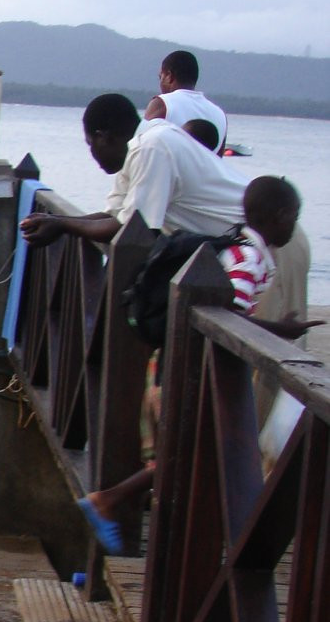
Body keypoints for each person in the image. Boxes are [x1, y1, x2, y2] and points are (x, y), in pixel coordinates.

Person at [78, 177, 319, 550]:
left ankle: (152, 528)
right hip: (186, 372)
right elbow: (229, 318)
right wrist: (281, 329)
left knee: (176, 456)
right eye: (294, 217)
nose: (294, 226)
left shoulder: (234, 245)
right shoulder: (249, 258)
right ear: (281, 215)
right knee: (183, 454)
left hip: (171, 364)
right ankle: (109, 502)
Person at [19, 94, 244, 247]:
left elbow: (132, 229)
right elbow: (113, 215)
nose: (92, 154)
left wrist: (62, 225)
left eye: (90, 144)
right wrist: (56, 220)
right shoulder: (141, 144)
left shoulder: (152, 146)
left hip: (253, 240)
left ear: (104, 137)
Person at [143, 50, 227, 153]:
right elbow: (217, 161)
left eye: (160, 77)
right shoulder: (219, 114)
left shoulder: (162, 103)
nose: (160, 83)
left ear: (169, 76)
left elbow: (141, 147)